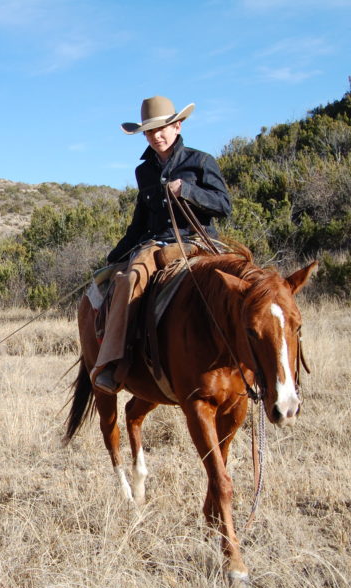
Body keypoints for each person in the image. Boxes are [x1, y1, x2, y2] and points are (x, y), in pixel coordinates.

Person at [92, 96, 231, 393]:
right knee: (130, 280)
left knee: (243, 281)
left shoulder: (201, 161)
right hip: (156, 246)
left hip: (198, 241)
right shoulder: (144, 172)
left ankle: (252, 359)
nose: (157, 136)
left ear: (177, 126)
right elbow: (139, 223)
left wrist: (188, 190)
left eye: (162, 128)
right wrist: (114, 256)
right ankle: (115, 361)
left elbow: (224, 205)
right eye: (150, 131)